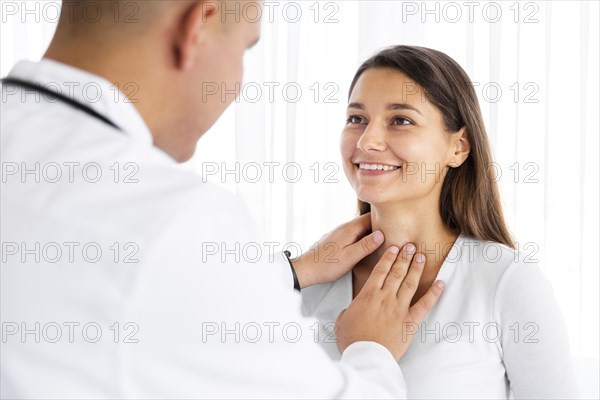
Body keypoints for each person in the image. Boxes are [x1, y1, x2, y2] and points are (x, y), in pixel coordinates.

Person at [0, 2, 445, 398]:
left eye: (402, 120)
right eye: (245, 49)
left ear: (458, 147)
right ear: (198, 25)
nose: (235, 84)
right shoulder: (174, 219)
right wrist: (372, 350)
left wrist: (294, 271)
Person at [301, 45, 580, 398]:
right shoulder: (310, 281)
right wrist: (297, 273)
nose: (368, 140)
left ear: (459, 147)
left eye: (401, 120)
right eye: (357, 119)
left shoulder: (507, 281)